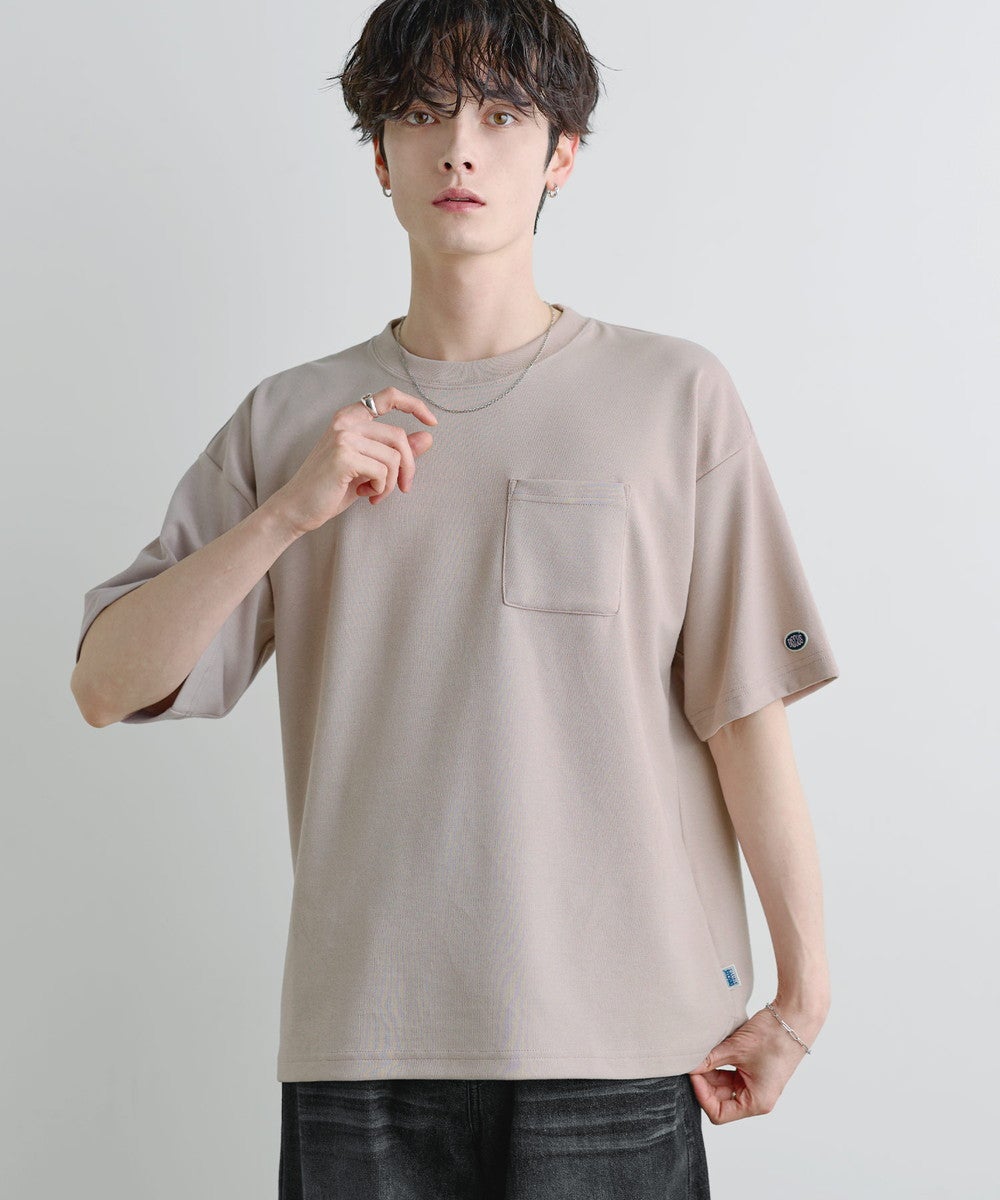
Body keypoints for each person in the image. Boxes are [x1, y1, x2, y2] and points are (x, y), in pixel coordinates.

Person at [71, 1, 840, 1196]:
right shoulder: (292, 419)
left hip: (623, 1044)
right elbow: (105, 684)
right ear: (379, 158)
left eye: (502, 115)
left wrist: (804, 994)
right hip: (363, 1044)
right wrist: (287, 515)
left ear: (562, 153)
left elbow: (743, 711)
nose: (460, 150)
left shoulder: (672, 396)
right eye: (424, 115)